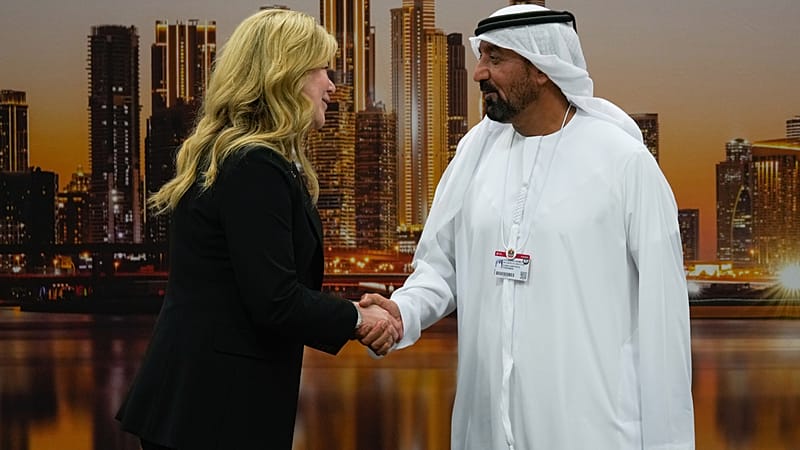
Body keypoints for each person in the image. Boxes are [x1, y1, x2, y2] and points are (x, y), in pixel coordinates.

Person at [360, 4, 695, 449]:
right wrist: (404, 311)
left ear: (541, 68)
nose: (479, 73)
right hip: (487, 427)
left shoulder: (623, 161)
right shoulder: (474, 152)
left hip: (593, 428)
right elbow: (441, 267)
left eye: (496, 58)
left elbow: (664, 321)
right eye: (481, 56)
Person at [115, 9, 400, 450]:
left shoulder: (232, 158)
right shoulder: (254, 166)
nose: (331, 86)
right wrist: (358, 318)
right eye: (321, 70)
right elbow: (275, 300)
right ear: (283, 75)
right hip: (215, 413)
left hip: (200, 407)